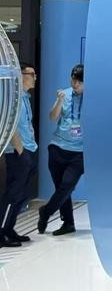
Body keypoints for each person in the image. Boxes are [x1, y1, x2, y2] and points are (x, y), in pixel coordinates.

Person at [37, 64, 85, 236]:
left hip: (79, 152)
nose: (74, 84)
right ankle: (68, 223)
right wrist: (59, 101)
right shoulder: (64, 94)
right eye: (73, 80)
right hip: (57, 148)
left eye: (79, 82)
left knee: (67, 186)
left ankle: (46, 212)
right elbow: (52, 117)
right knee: (61, 188)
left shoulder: (94, 98)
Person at [0, 62, 38, 247]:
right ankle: (1, 232)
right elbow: (10, 122)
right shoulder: (12, 97)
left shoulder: (24, 97)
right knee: (14, 193)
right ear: (21, 75)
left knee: (22, 194)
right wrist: (20, 150)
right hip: (18, 152)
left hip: (28, 150)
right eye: (32, 74)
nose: (35, 78)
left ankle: (9, 229)